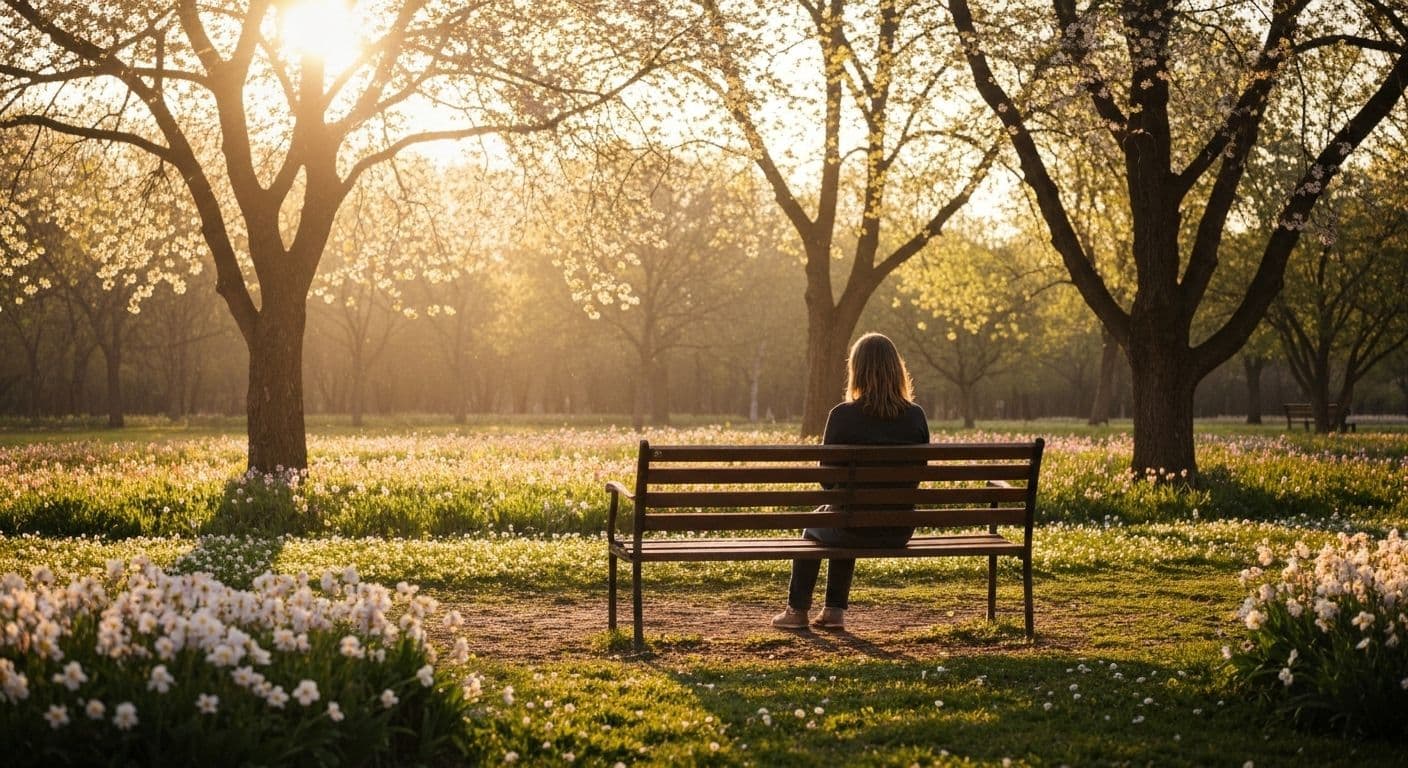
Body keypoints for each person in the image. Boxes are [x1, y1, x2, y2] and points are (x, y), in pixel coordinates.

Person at [772, 332, 930, 631]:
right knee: (839, 516)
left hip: (851, 525)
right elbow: (918, 475)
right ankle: (833, 611)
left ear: (856, 369)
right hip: (898, 529)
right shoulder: (915, 416)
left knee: (820, 523)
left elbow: (827, 480)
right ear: (897, 369)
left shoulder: (843, 416)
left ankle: (797, 611)